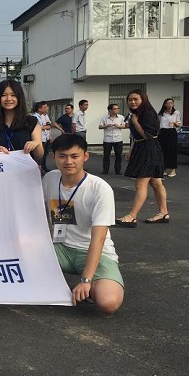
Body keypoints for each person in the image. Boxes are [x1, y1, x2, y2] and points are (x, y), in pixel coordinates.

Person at [42, 133, 124, 314]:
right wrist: (4, 156)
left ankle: (92, 286)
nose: (68, 161)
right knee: (22, 245)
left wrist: (86, 280)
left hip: (90, 250)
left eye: (74, 156)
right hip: (58, 248)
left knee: (108, 303)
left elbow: (99, 239)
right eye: (62, 156)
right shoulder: (49, 179)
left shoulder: (100, 189)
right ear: (54, 157)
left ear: (85, 156)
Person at [116, 89, 169, 227]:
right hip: (142, 147)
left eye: (136, 99)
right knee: (156, 183)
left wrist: (135, 122)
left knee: (140, 184)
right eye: (130, 100)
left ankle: (132, 216)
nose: (132, 102)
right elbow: (137, 137)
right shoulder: (136, 113)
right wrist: (131, 150)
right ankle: (163, 213)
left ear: (143, 99)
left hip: (149, 149)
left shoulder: (148, 113)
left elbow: (147, 135)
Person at [0, 79, 43, 161]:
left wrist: (35, 144)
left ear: (19, 98)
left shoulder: (31, 122)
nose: (8, 99)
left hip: (25, 168)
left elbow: (39, 155)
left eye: (13, 95)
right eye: (4, 95)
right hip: (1, 167)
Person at [98, 104, 126, 175]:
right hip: (107, 139)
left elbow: (125, 126)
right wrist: (106, 126)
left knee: (118, 155)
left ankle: (118, 170)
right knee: (106, 155)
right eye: (115, 109)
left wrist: (118, 126)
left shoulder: (121, 117)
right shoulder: (105, 118)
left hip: (118, 139)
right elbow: (100, 126)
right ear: (110, 110)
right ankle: (105, 170)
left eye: (118, 108)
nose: (117, 110)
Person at [157, 98, 181, 177]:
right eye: (168, 103)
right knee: (162, 150)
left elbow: (178, 124)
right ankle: (163, 168)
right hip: (162, 132)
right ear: (165, 104)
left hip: (171, 132)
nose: (170, 104)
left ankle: (173, 169)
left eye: (171, 103)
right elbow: (158, 124)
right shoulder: (161, 113)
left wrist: (174, 123)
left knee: (172, 150)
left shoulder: (176, 112)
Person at [32, 101, 52, 173]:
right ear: (39, 109)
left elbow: (49, 125)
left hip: (46, 137)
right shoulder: (34, 117)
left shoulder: (45, 116)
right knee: (39, 155)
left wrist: (45, 127)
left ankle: (44, 167)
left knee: (45, 154)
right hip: (40, 138)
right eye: (45, 107)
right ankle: (37, 169)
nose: (47, 108)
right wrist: (44, 127)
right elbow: (36, 128)